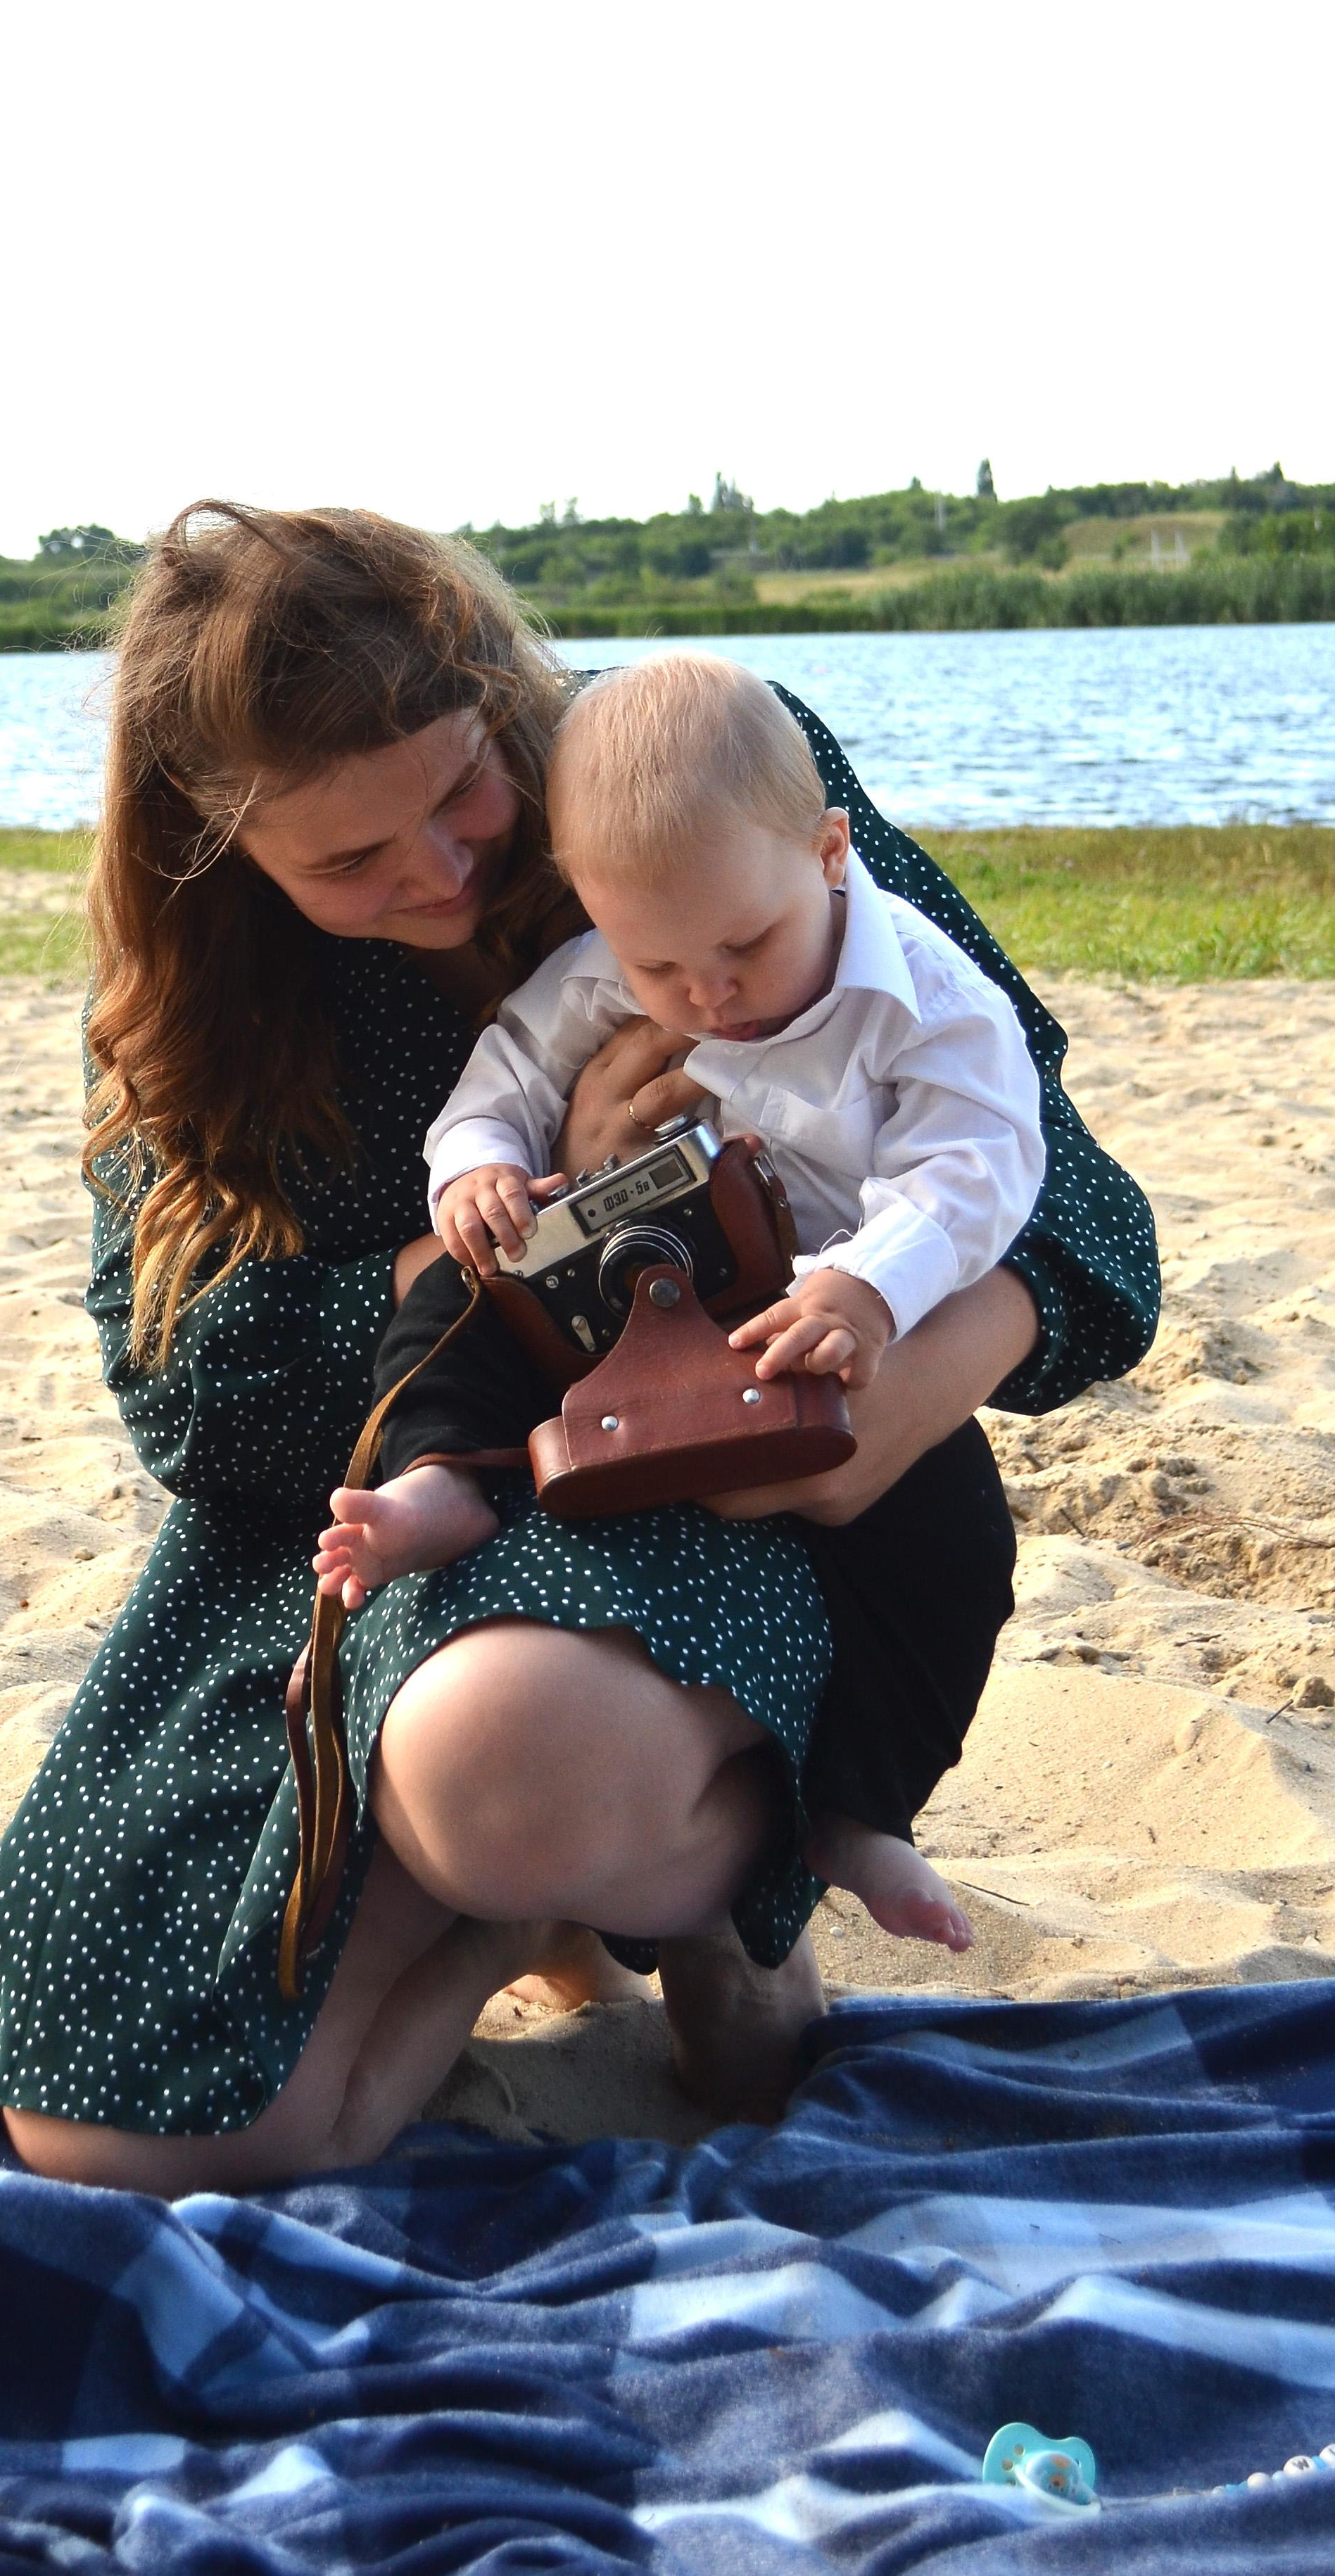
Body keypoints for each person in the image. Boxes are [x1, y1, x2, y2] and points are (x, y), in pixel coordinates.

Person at [0, 502, 1159, 2193]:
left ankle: (711, 1882)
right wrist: (502, 1244)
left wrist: (880, 1410)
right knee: (122, 2141)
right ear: (220, 847)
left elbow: (1074, 1190)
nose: (438, 869)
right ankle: (540, 1914)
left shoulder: (694, 770)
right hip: (395, 1496)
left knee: (504, 1763)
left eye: (460, 791)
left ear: (495, 699)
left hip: (708, 1481)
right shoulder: (197, 1000)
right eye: (347, 860)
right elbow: (186, 1395)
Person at [314, 654, 1048, 1950]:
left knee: (955, 1539)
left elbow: (983, 1167)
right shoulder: (612, 964)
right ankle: (439, 1479)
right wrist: (476, 1165)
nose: (707, 992)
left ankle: (863, 1809)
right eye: (659, 965)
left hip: (815, 1320)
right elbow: (503, 1076)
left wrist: (867, 1292)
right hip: (620, 1293)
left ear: (828, 854)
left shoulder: (927, 1001)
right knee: (454, 1296)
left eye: (744, 946)